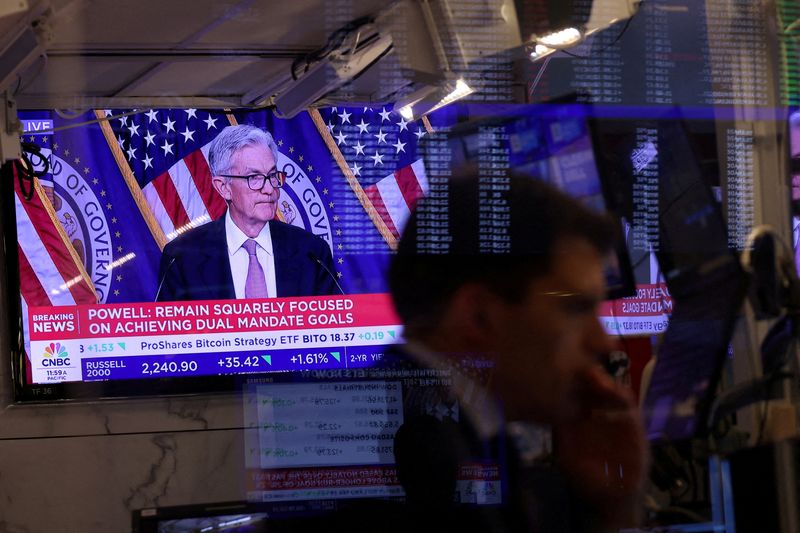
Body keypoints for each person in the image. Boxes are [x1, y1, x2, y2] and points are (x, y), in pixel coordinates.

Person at [385, 170, 648, 532]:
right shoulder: (427, 461)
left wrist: (608, 508)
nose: (604, 343)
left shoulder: (470, 438)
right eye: (575, 309)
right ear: (478, 317)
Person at [156, 125, 338, 302]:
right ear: (224, 187)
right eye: (255, 178)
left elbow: (337, 325)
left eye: (273, 175)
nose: (269, 188)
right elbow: (171, 331)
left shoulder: (312, 253)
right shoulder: (182, 258)